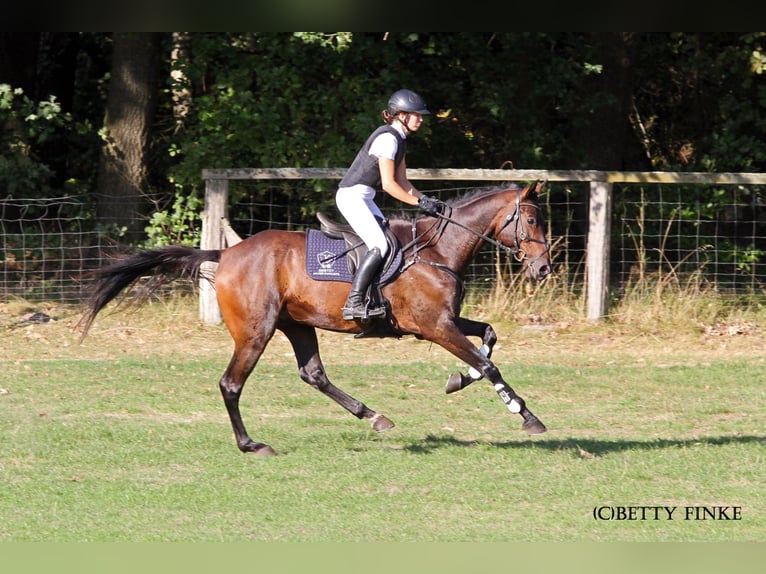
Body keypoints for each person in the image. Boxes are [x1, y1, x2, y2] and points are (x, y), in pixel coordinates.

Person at [336, 88, 445, 320]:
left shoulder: (400, 140)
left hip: (364, 197)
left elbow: (404, 182)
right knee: (380, 244)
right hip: (352, 196)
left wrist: (426, 200)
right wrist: (418, 202)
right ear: (402, 115)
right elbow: (389, 185)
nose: (421, 119)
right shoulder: (387, 139)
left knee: (389, 240)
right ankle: (353, 303)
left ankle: (376, 296)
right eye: (417, 114)